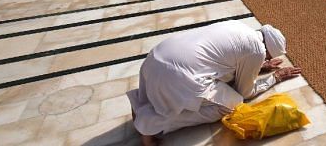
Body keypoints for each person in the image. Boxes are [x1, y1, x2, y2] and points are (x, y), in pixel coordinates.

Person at [127, 20, 301, 145]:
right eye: (268, 57)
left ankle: (140, 102)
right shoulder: (257, 51)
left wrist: (259, 66)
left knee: (200, 86)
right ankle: (152, 124)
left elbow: (226, 60)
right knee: (233, 104)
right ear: (268, 52)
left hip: (156, 59)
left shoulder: (239, 27)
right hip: (178, 76)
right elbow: (245, 92)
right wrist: (275, 77)